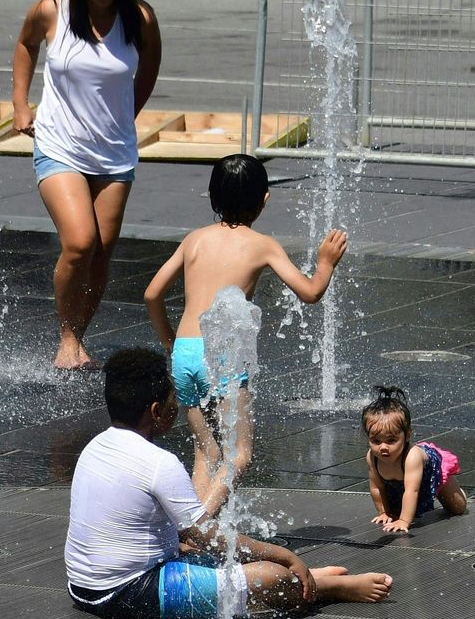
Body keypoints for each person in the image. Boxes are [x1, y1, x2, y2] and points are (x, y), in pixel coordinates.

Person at [64, 348, 392, 619]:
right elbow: (209, 538)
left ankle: (306, 576)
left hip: (84, 588)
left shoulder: (95, 448)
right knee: (272, 579)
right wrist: (284, 555)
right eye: (172, 398)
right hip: (130, 592)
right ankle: (321, 588)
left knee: (204, 551)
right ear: (156, 411)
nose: (176, 405)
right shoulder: (158, 463)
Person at [143, 154, 347, 509]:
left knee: (206, 454)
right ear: (264, 199)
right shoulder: (262, 245)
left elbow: (151, 294)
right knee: (239, 456)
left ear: (211, 197)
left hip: (186, 354)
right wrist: (326, 263)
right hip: (222, 357)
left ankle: (193, 530)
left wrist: (169, 343)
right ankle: (198, 527)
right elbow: (311, 292)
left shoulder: (194, 240)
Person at [11, 0, 163, 370]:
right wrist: (20, 104)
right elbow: (25, 46)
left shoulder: (140, 17)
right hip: (60, 144)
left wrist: (127, 113)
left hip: (114, 151)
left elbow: (149, 67)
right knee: (80, 242)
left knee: (103, 249)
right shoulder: (51, 9)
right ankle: (65, 336)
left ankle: (79, 338)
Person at [361, 386, 467, 534]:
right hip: (407, 481)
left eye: (391, 440)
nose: (383, 447)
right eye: (376, 441)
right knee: (395, 511)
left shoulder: (412, 457)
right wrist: (383, 513)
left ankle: (455, 490)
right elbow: (377, 488)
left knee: (457, 508)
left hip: (432, 470)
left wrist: (404, 521)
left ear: (407, 435)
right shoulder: (372, 457)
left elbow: (412, 491)